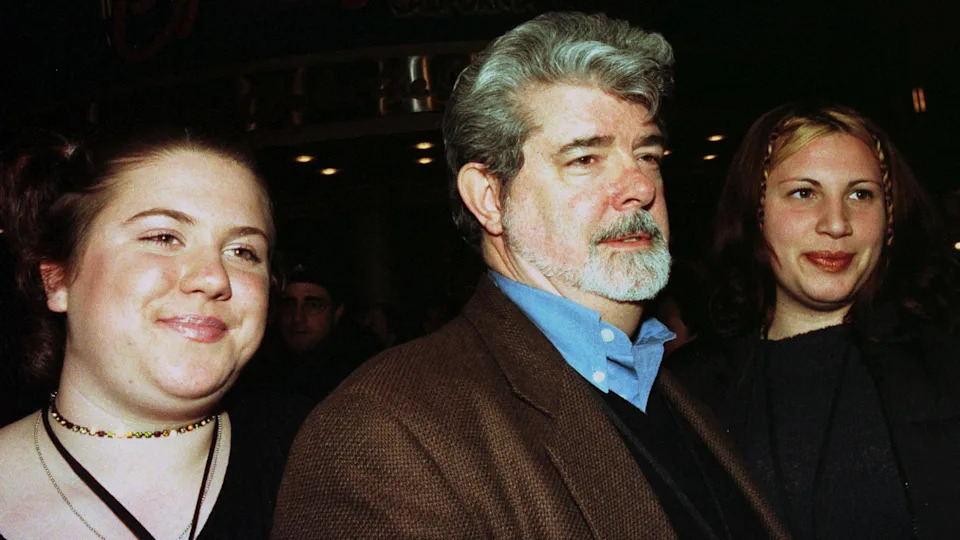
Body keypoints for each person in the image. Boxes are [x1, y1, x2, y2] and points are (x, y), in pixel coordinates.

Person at [272, 12, 785, 538]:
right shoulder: (381, 434)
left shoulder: (671, 384)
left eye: (648, 154)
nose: (639, 185)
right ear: (490, 199)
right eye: (585, 158)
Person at [669, 103, 960, 539]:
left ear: (890, 219)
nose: (837, 223)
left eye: (861, 194)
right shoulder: (685, 392)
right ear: (756, 211)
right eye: (804, 193)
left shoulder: (946, 363)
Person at [0, 128, 305, 538]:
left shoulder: (328, 456)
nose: (214, 277)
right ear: (58, 280)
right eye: (163, 237)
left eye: (243, 252)